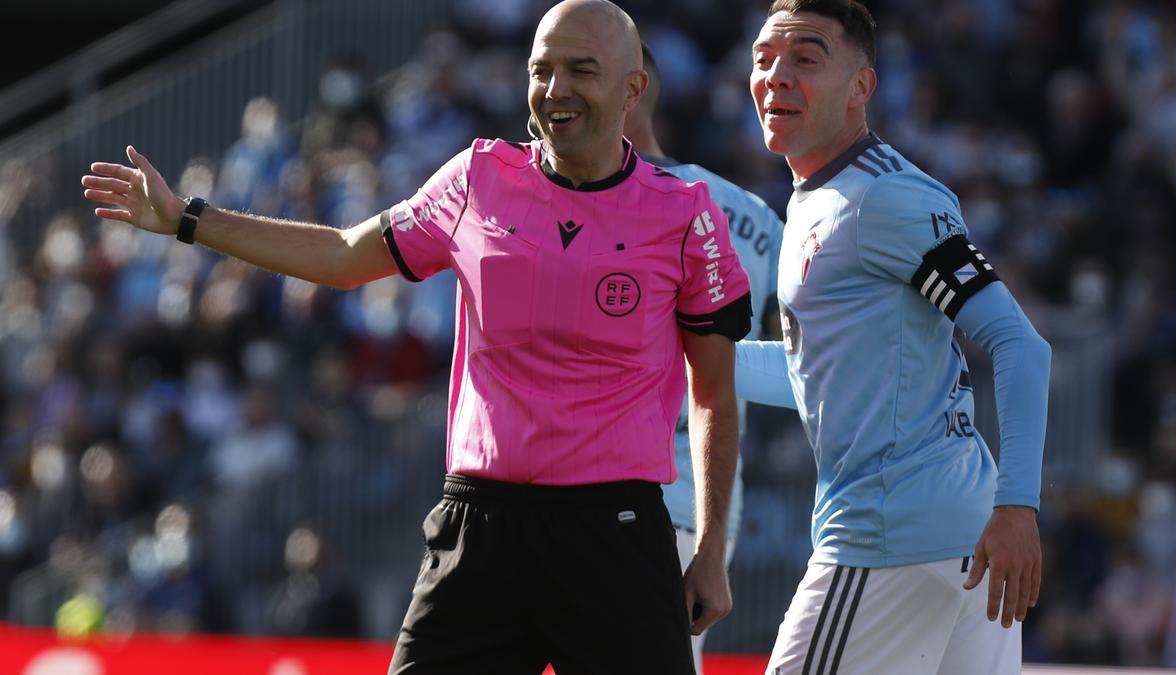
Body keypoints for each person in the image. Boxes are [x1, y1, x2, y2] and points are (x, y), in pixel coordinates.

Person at [80, 1, 752, 673]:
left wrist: (711, 548)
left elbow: (716, 394)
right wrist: (188, 219)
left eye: (582, 70)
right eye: (541, 70)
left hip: (617, 536)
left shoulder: (686, 216)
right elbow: (345, 255)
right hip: (482, 528)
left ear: (633, 88)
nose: (556, 90)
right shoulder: (477, 179)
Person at [735, 1, 1052, 673]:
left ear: (861, 87)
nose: (776, 75)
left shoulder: (882, 198)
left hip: (890, 538)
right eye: (764, 59)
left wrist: (1019, 506)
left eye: (806, 58)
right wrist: (678, 360)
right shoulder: (818, 198)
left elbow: (1022, 345)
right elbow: (812, 375)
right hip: (959, 541)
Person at [624, 42, 785, 674]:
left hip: (663, 503)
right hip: (686, 510)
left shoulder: (570, 204)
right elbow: (792, 363)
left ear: (633, 87)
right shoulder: (757, 219)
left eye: (582, 70)